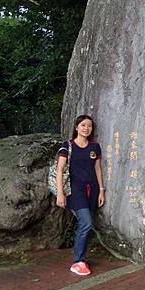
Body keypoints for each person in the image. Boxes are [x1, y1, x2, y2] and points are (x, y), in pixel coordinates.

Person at [56, 114, 105, 276]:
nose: (86, 128)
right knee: (86, 222)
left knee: (87, 224)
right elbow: (60, 170)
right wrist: (60, 194)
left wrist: (102, 190)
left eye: (89, 126)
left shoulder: (94, 147)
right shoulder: (67, 146)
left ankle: (81, 257)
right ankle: (78, 261)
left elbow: (97, 169)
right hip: (75, 192)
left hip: (92, 191)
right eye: (83, 125)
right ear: (76, 127)